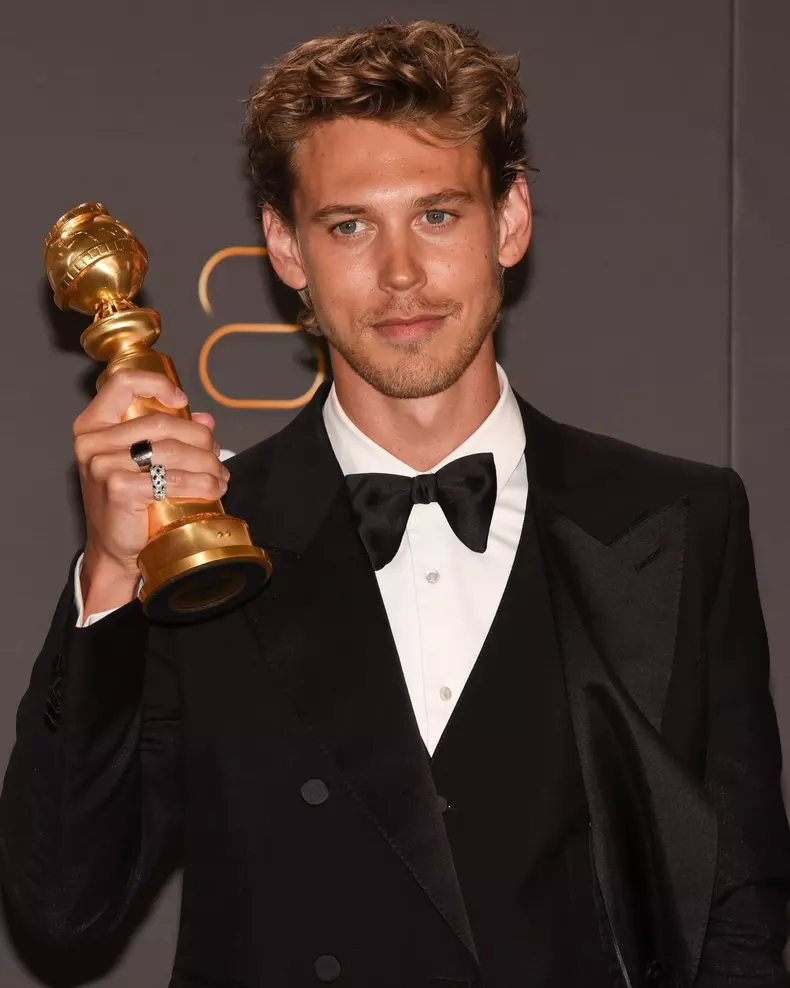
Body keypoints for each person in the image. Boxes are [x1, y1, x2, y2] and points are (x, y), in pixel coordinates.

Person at [2, 19, 789, 988]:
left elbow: (737, 915)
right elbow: (61, 906)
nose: (401, 274)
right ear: (286, 249)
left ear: (509, 220)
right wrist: (115, 571)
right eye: (349, 225)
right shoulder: (199, 543)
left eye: (437, 215)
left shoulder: (676, 519)